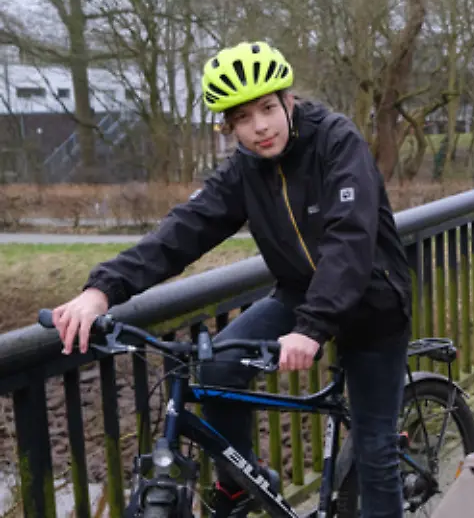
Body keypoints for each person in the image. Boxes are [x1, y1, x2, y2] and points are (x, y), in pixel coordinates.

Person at [50, 41, 413, 518]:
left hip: (372, 304)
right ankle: (243, 481)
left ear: (288, 101)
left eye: (267, 108)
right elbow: (184, 230)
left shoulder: (337, 142)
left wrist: (311, 328)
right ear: (229, 127)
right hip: (300, 297)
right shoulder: (245, 169)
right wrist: (102, 290)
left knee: (374, 450)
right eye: (243, 118)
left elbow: (350, 239)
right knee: (218, 366)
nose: (260, 126)